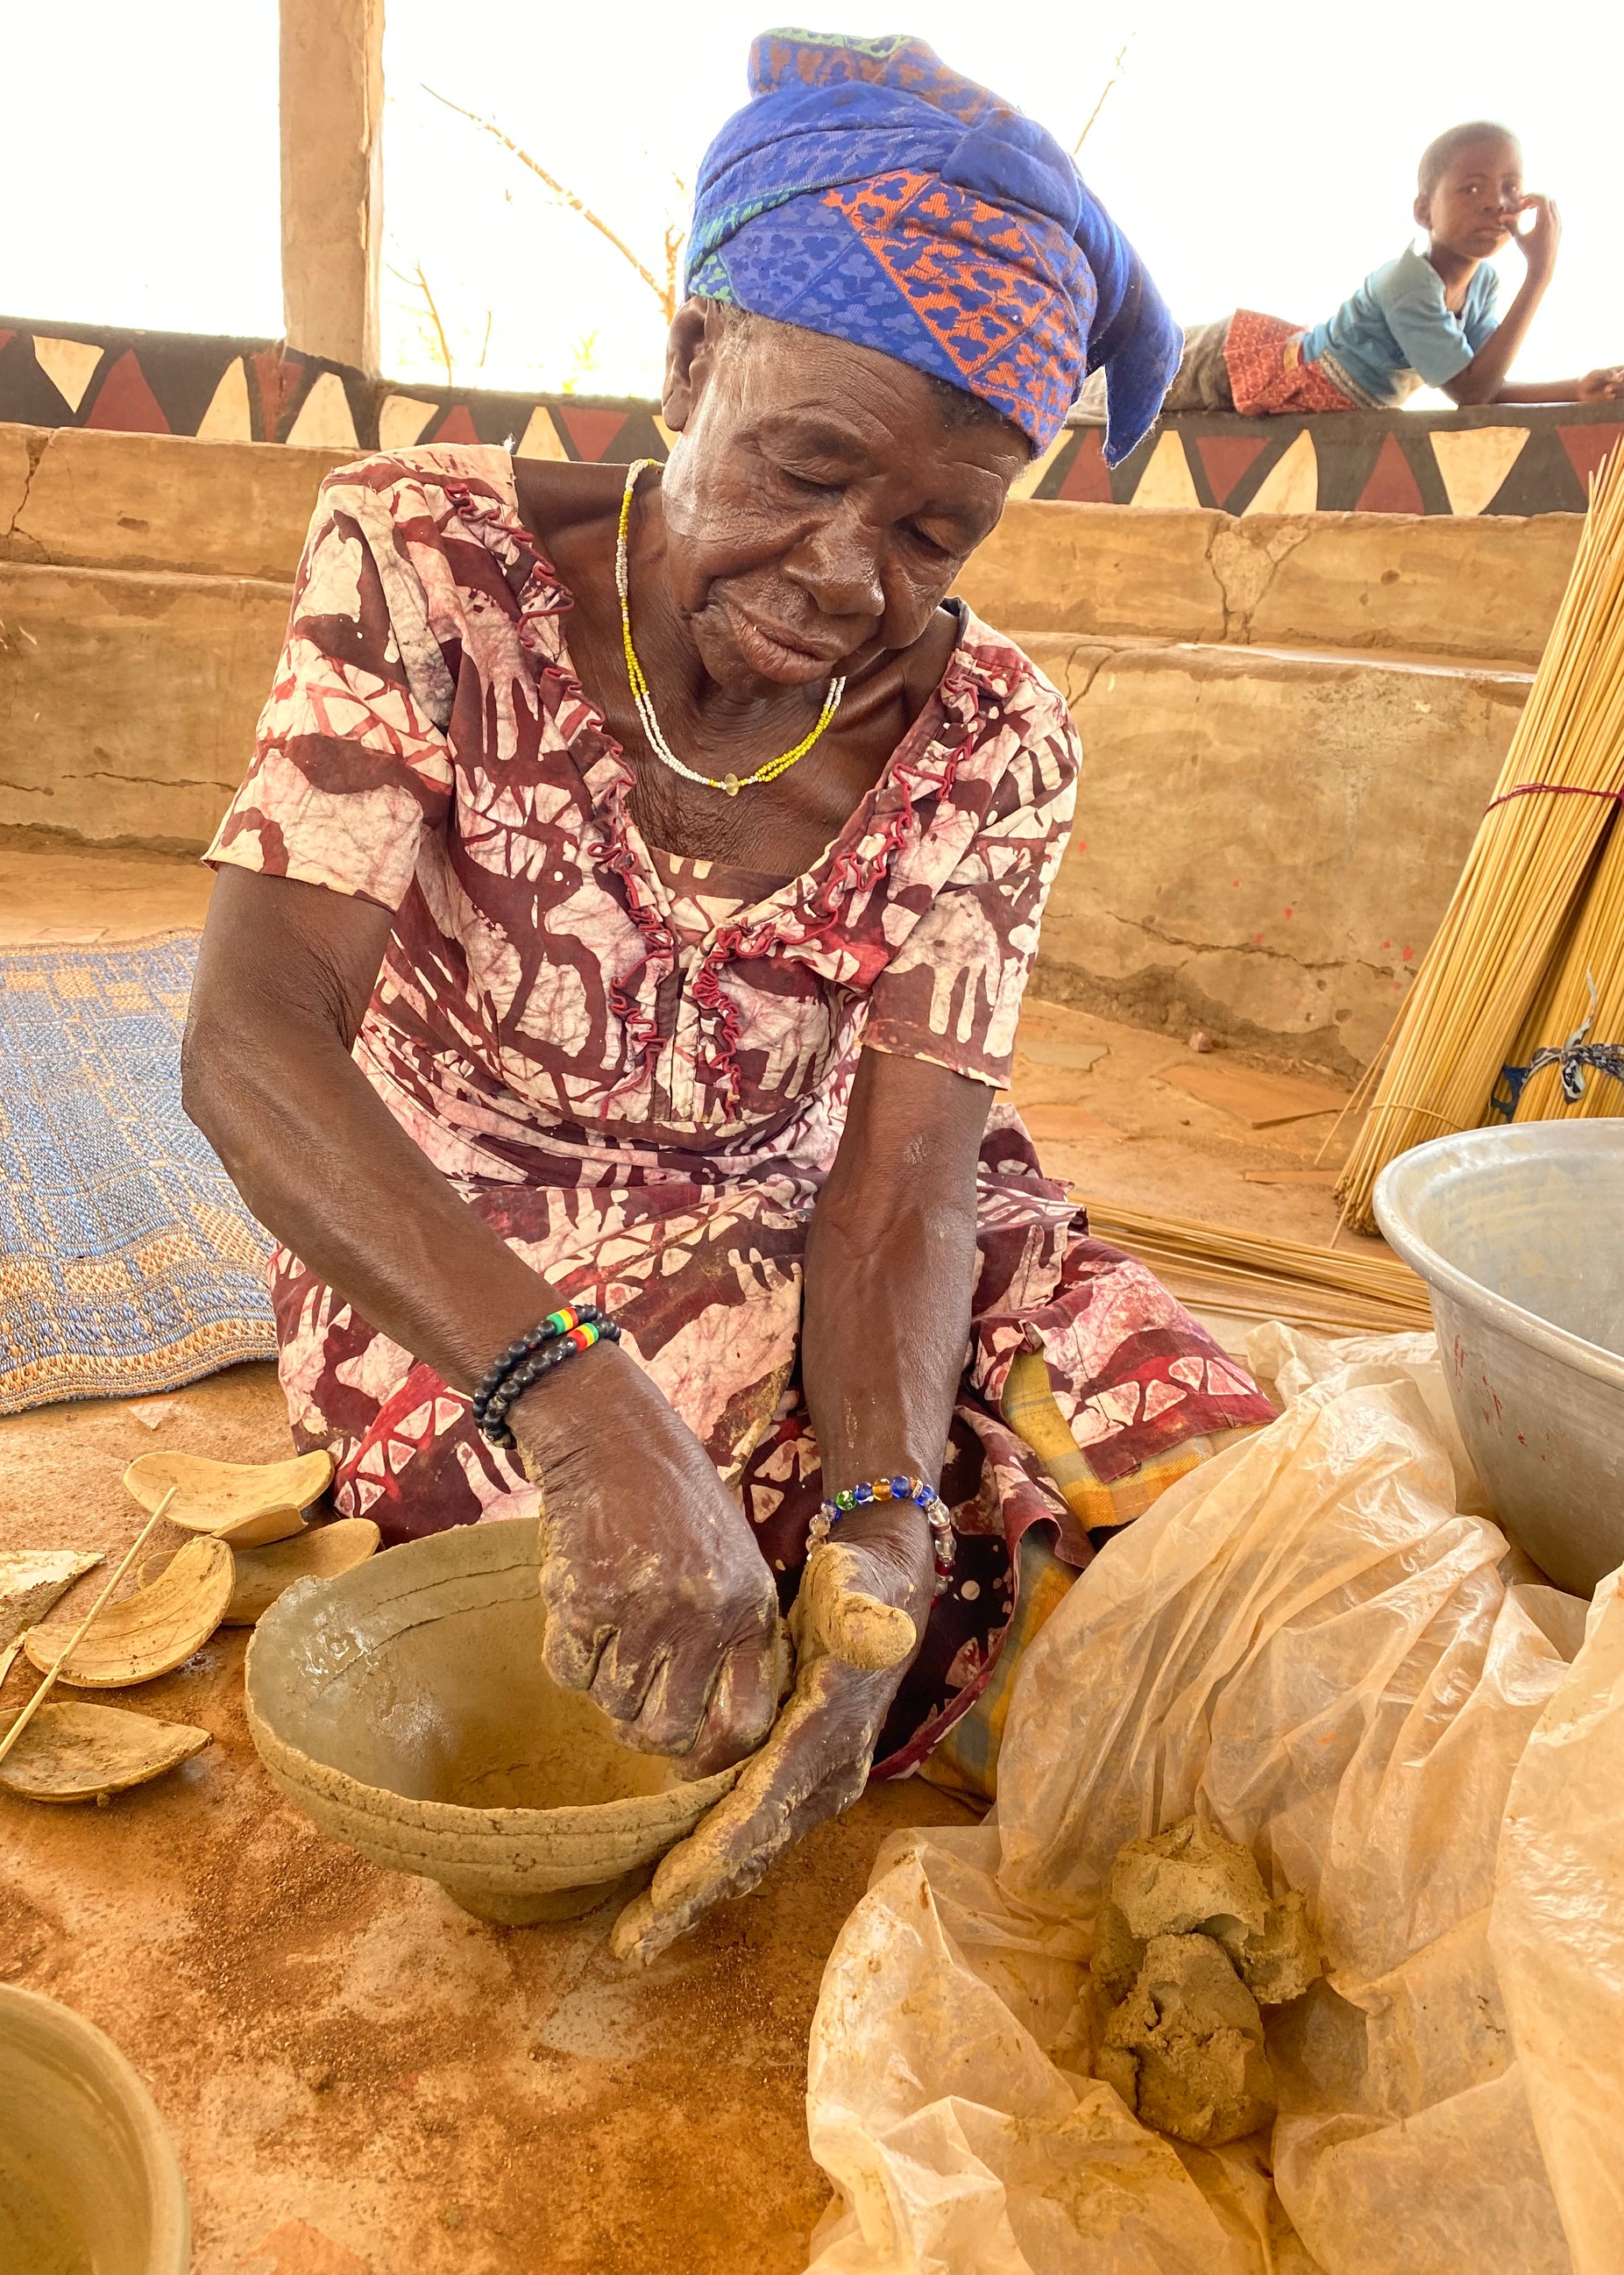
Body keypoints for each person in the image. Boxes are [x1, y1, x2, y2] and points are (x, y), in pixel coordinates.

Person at [184, 29, 1274, 1964]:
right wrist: (574, 1401)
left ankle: (960, 1606)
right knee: (647, 1543)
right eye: (806, 465)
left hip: (824, 1196)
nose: (848, 569)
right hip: (470, 1215)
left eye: (936, 529)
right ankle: (964, 1651)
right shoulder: (427, 565)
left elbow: (906, 1187)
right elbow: (250, 1047)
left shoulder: (994, 736)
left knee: (1209, 1466)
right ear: (688, 366)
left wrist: (881, 1516)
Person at [1089, 120, 1624, 421]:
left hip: (1287, 368)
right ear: (1423, 212)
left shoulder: (1482, 284)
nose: (1496, 203)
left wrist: (1576, 389)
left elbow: (1482, 381)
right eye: (1471, 188)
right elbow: (1470, 393)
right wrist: (1540, 275)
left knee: (1119, 394)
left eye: (1510, 186)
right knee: (1112, 389)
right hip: (1246, 362)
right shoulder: (1408, 281)